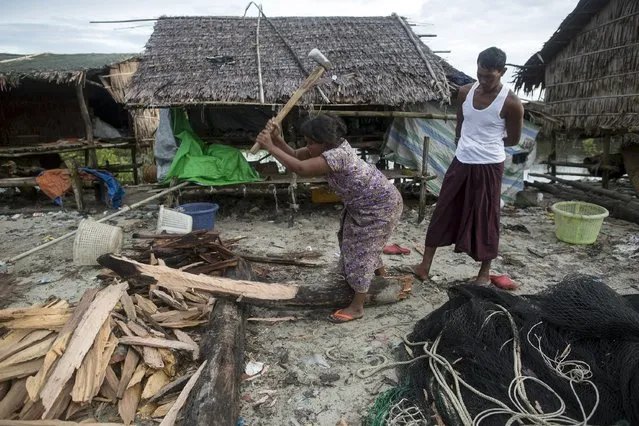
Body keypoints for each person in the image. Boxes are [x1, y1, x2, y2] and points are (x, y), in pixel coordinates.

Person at [255, 114, 403, 323]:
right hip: (364, 206)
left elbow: (300, 168)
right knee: (354, 242)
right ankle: (381, 279)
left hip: (379, 208)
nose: (308, 147)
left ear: (325, 141)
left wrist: (270, 147)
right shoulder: (328, 147)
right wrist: (278, 140)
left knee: (361, 250)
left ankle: (357, 306)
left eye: (310, 143)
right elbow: (297, 155)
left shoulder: (337, 156)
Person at [410, 47, 524, 285]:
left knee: (486, 214)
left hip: (490, 165)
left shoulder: (512, 103)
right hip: (461, 159)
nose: (483, 81)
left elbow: (513, 139)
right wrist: (465, 145)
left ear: (502, 72)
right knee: (444, 207)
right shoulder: (464, 92)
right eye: (480, 74)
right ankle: (424, 265)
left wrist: (485, 144)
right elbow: (460, 126)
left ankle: (483, 273)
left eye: (489, 76)